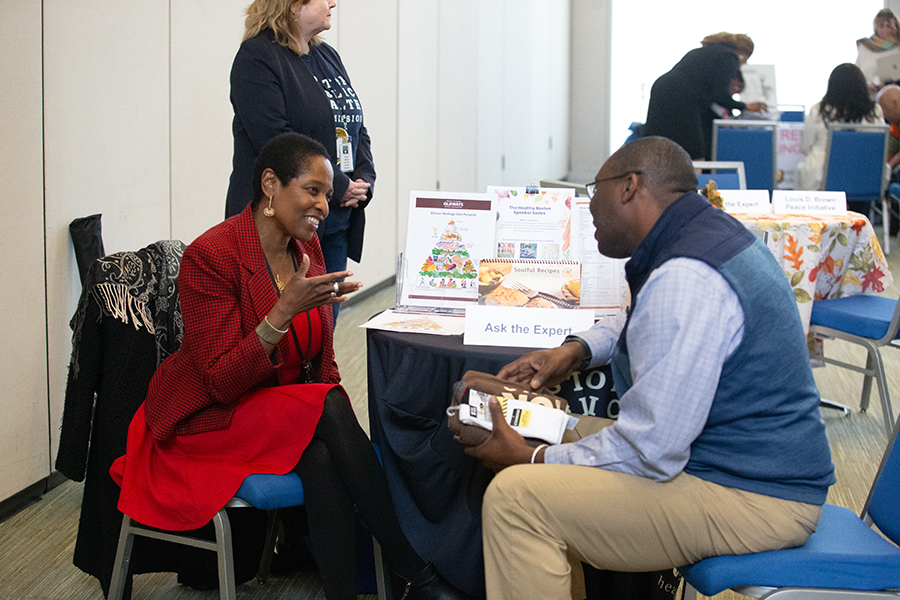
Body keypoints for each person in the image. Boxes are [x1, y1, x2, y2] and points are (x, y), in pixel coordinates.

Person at [466, 136, 835, 600]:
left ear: (628, 187)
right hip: (733, 463)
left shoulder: (686, 275)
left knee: (516, 499)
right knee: (554, 427)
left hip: (754, 496)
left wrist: (532, 458)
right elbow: (641, 323)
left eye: (593, 190)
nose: (590, 206)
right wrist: (576, 351)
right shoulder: (702, 237)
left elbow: (651, 449)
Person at [111, 133, 469, 600]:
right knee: (328, 410)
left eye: (327, 193)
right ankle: (414, 573)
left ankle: (365, 587)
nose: (324, 205)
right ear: (269, 185)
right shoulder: (211, 257)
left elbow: (322, 361)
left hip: (270, 409)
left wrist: (326, 411)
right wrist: (281, 313)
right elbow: (218, 380)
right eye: (313, 190)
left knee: (323, 449)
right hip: (204, 418)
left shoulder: (307, 250)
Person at [225, 0, 374, 323]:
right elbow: (276, 140)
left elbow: (354, 125)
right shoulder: (257, 58)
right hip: (284, 224)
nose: (333, 3)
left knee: (322, 329)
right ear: (292, 5)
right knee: (285, 332)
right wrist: (341, 185)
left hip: (333, 221)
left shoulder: (327, 56)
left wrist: (363, 179)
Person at [643, 32, 767, 160]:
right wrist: (745, 106)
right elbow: (720, 95)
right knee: (694, 153)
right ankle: (697, 178)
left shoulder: (705, 52)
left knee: (656, 147)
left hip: (661, 90)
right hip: (683, 99)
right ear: (743, 53)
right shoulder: (729, 57)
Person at [796, 63, 884, 192]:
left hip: (821, 181)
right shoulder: (875, 112)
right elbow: (879, 148)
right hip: (864, 179)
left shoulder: (818, 111)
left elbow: (805, 147)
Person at [856, 8, 900, 89]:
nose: (885, 30)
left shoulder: (897, 49)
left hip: (894, 95)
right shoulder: (865, 47)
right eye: (881, 26)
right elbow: (857, 73)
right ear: (876, 27)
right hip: (868, 94)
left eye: (888, 26)